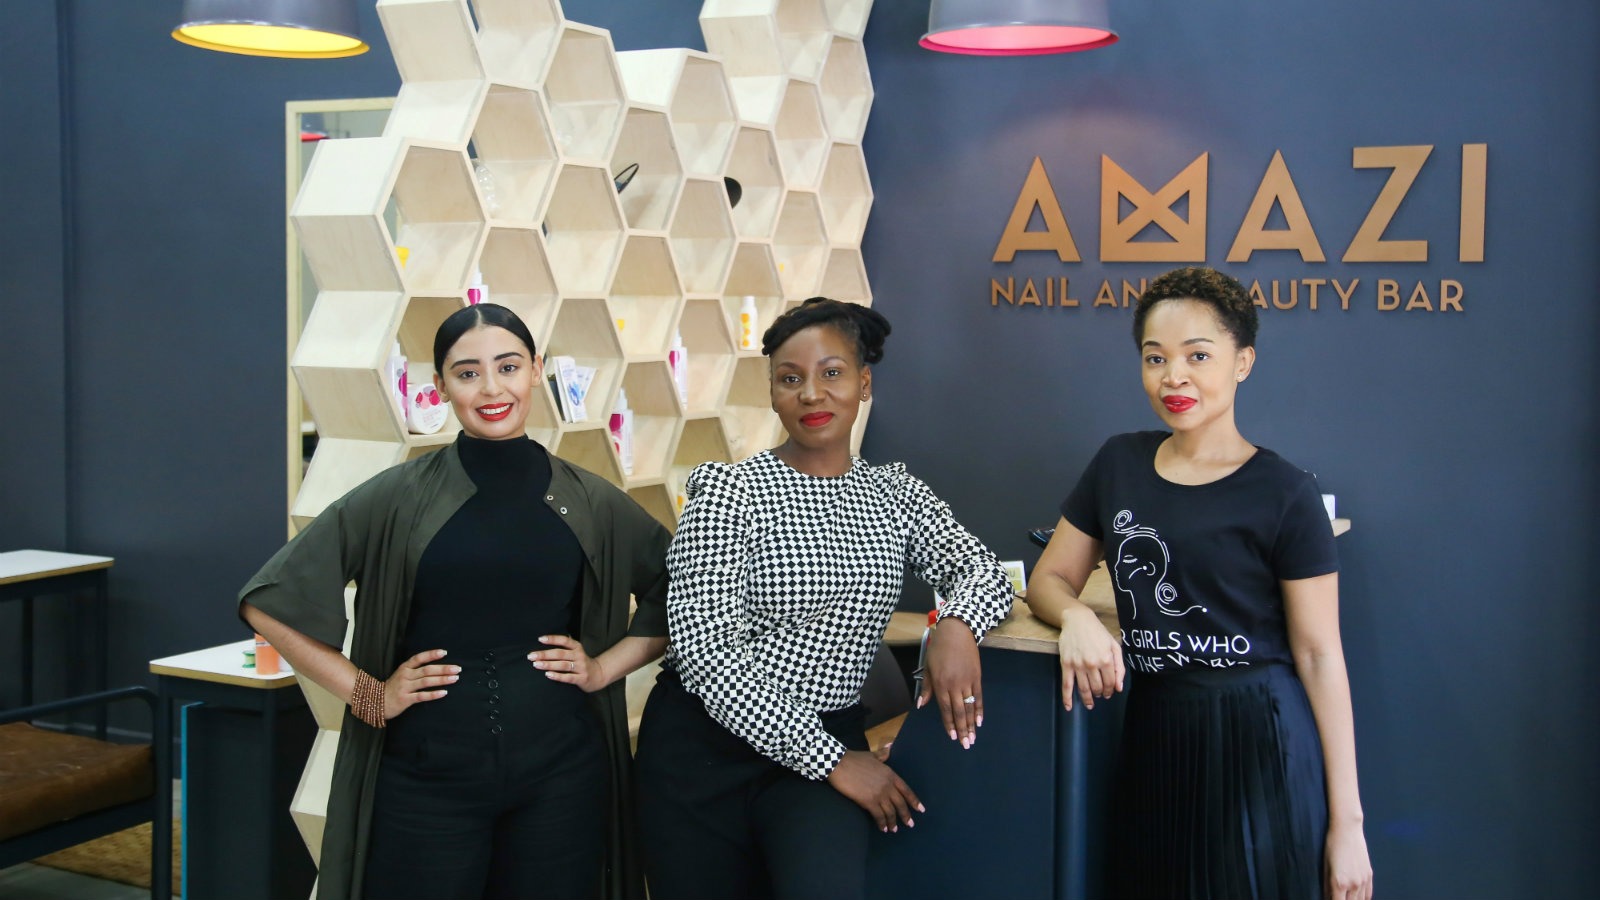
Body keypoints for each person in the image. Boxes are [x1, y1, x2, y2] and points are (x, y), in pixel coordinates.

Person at [239, 303, 670, 900]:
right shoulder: (396, 497)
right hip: (424, 781)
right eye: (467, 373)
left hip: (563, 779)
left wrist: (603, 668)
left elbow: (687, 594)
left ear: (536, 370)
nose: (491, 388)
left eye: (509, 367)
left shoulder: (591, 500)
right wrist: (369, 695)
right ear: (440, 387)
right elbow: (269, 600)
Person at [635, 297, 1015, 900]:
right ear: (773, 393)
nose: (812, 394)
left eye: (831, 373)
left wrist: (957, 625)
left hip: (823, 749)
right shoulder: (727, 489)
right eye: (791, 379)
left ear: (864, 384)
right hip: (702, 754)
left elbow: (983, 570)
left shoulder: (894, 494)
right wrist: (832, 760)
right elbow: (705, 651)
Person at [1026, 267, 1374, 900]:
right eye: (1155, 358)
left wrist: (1348, 825)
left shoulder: (1285, 492)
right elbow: (1049, 577)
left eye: (1198, 356)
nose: (1173, 377)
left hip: (1260, 741)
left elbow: (1321, 656)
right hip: (1155, 729)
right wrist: (1075, 616)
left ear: (1243, 362)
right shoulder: (1118, 464)